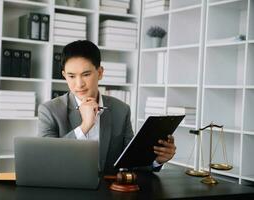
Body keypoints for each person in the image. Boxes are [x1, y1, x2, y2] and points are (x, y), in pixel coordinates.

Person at [38, 40, 176, 174]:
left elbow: (131, 162)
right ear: (64, 76)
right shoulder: (49, 111)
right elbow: (47, 159)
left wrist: (157, 160)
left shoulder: (121, 110)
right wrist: (85, 126)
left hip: (109, 191)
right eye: (72, 76)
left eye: (86, 74)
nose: (79, 84)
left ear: (100, 73)